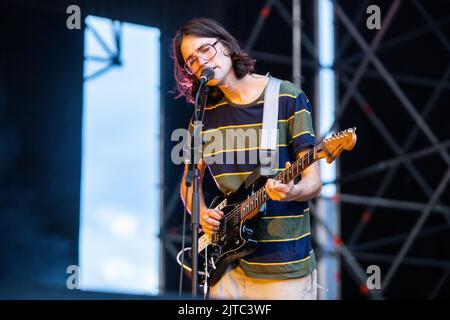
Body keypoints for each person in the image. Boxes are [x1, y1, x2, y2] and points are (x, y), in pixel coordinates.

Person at [172, 18, 322, 300]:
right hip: (225, 267)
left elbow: (314, 182)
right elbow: (189, 184)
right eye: (191, 60)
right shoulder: (202, 117)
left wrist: (293, 191)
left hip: (283, 267)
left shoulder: (286, 97)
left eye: (206, 49)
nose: (201, 61)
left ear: (227, 46)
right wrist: (203, 213)